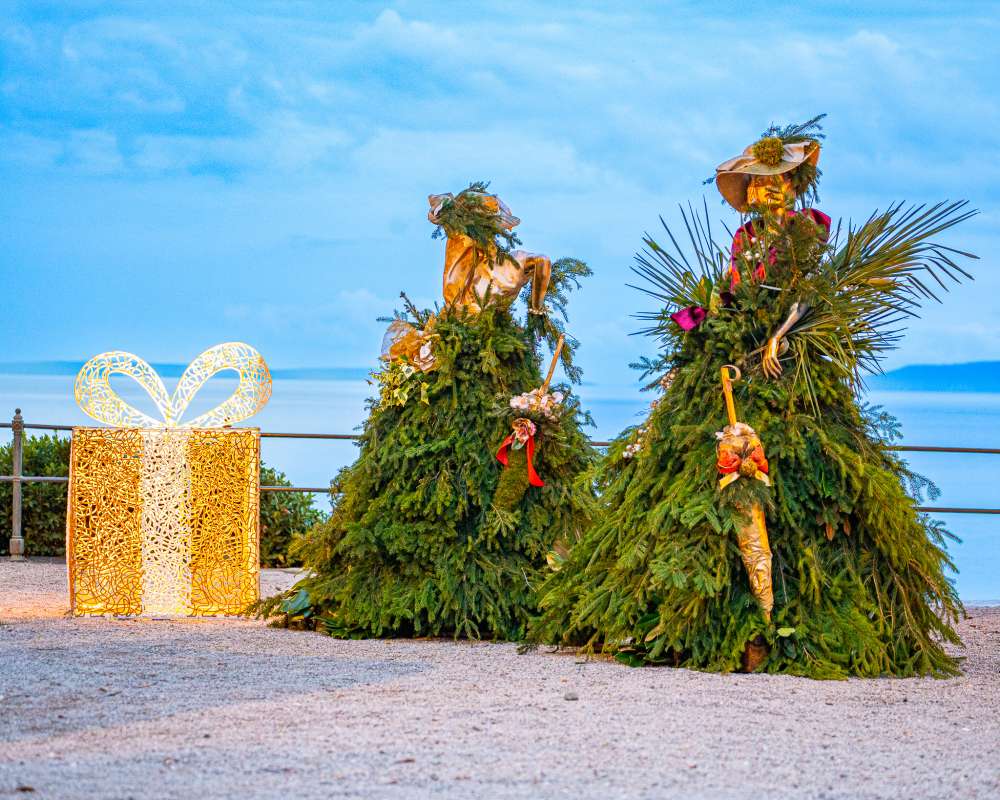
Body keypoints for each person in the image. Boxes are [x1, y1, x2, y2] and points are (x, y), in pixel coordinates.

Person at [529, 117, 977, 677]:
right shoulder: (745, 238)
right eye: (760, 184)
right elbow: (735, 289)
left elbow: (807, 295)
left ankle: (787, 613)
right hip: (735, 353)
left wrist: (779, 335)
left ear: (793, 185)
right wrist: (712, 317)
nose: (769, 191)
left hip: (781, 361)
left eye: (777, 181)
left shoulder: (807, 229)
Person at [260, 182, 594, 640]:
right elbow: (537, 262)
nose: (464, 239)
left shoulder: (487, 267)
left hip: (484, 366)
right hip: (479, 366)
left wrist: (534, 309)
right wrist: (535, 309)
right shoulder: (488, 266)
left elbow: (535, 260)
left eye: (465, 231)